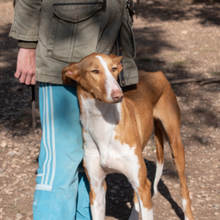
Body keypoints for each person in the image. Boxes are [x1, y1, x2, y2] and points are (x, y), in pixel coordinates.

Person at [10, 0, 138, 219]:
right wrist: (27, 45)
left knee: (88, 162)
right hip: (60, 59)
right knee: (61, 160)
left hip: (108, 53)